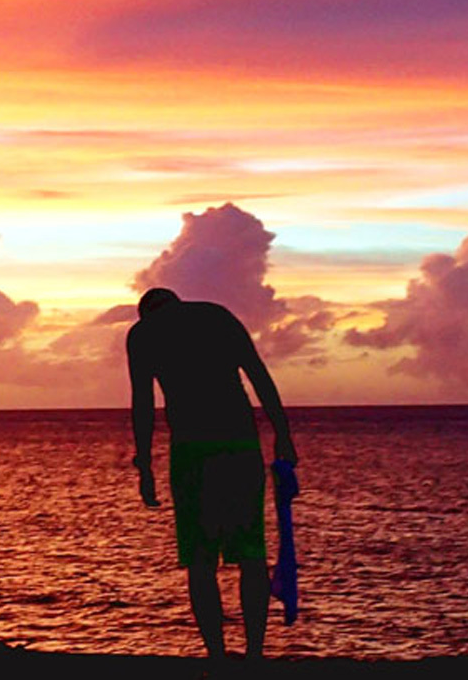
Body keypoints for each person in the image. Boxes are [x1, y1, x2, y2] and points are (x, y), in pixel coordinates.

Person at [127, 287, 296, 669]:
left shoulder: (144, 334)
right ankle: (254, 655)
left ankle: (218, 658)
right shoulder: (218, 316)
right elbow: (259, 377)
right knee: (251, 554)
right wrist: (283, 435)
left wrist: (145, 465)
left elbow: (142, 402)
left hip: (192, 453)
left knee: (200, 560)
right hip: (240, 446)